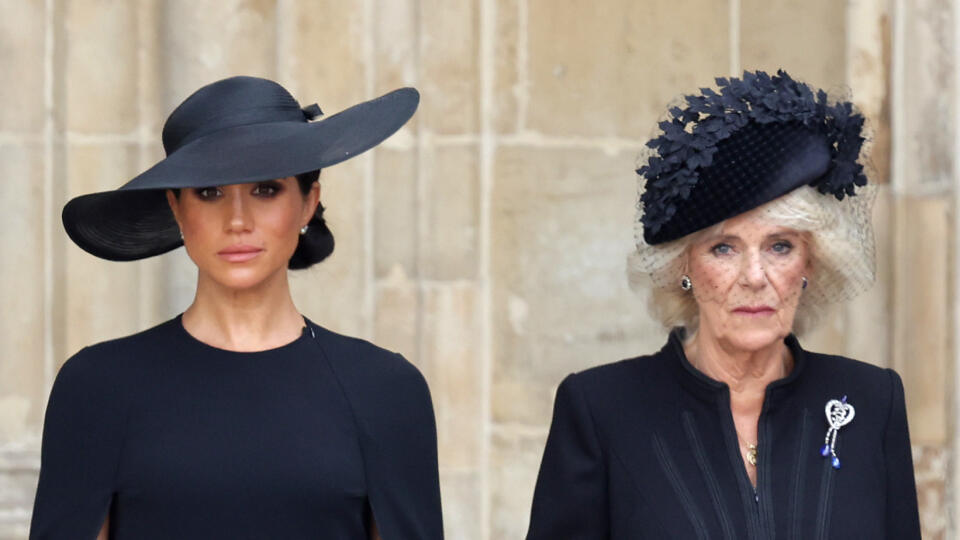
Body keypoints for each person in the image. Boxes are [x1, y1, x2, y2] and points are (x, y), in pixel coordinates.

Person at [30, 76, 443, 540]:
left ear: (309, 203)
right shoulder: (97, 386)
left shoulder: (385, 390)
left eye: (266, 189)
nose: (238, 221)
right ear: (177, 208)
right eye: (210, 192)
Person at [526, 70, 921, 539]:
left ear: (811, 263)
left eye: (779, 246)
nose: (755, 277)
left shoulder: (873, 401)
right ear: (683, 268)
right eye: (723, 248)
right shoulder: (601, 410)